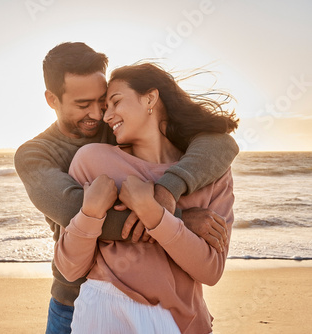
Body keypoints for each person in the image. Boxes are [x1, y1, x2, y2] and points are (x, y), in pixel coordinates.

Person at [14, 42, 239, 334]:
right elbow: (74, 211)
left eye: (103, 101)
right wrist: (180, 221)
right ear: (52, 99)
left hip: (167, 303)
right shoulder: (36, 155)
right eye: (83, 105)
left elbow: (218, 143)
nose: (98, 114)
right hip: (74, 301)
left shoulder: (120, 126)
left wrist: (167, 192)